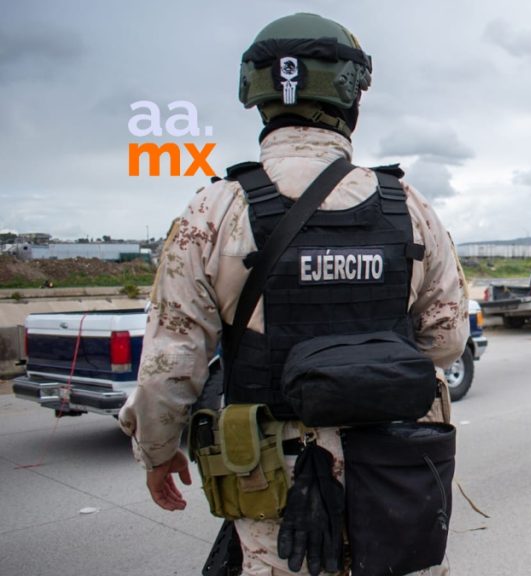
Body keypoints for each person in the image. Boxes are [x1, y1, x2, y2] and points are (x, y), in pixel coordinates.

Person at [118, 13, 467, 576]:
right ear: (351, 94)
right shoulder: (410, 206)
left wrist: (157, 455)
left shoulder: (213, 211)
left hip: (277, 480)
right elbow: (446, 342)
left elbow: (170, 365)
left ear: (257, 97)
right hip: (397, 473)